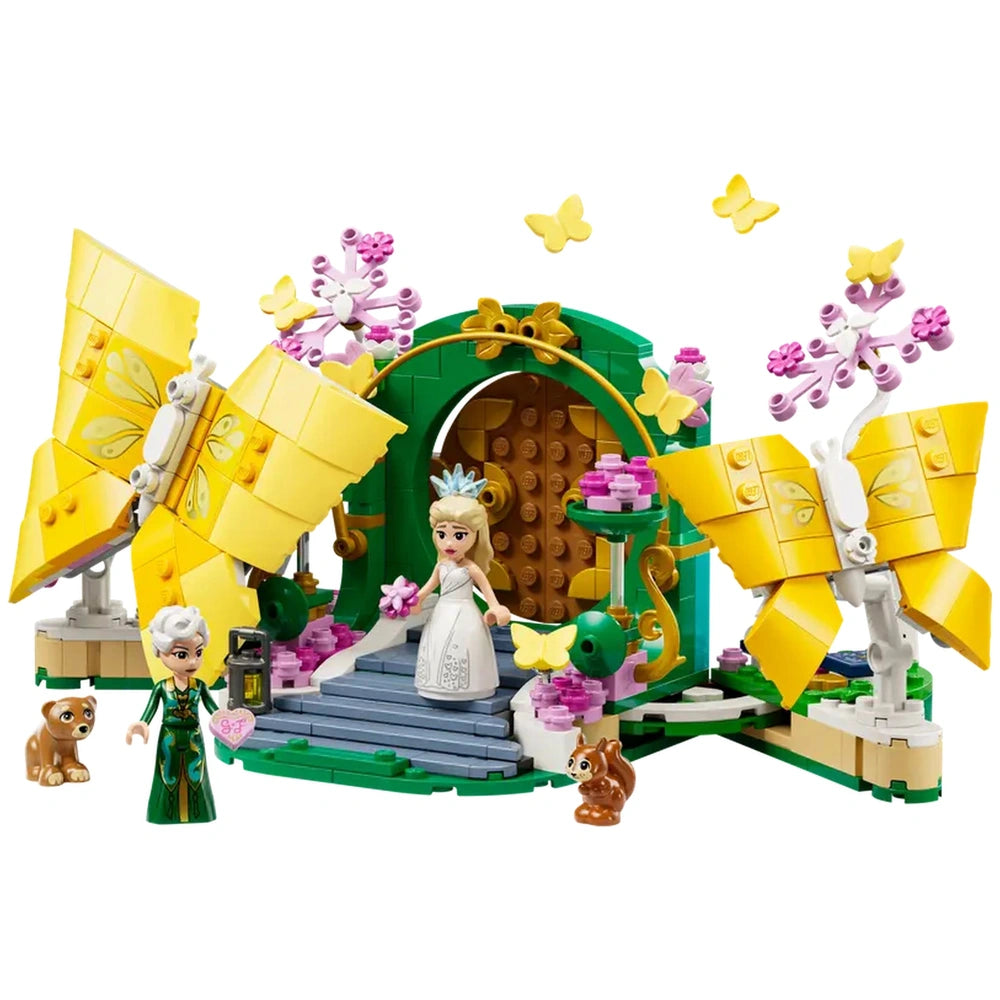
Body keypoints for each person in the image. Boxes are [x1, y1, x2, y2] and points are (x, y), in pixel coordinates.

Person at [413, 465, 511, 700]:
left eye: (459, 535)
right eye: (441, 534)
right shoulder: (441, 566)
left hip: (465, 614)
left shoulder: (471, 568)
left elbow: (488, 592)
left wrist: (495, 608)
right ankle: (435, 685)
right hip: (442, 613)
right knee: (437, 645)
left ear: (475, 535)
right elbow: (428, 587)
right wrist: (415, 600)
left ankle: (469, 687)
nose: (449, 543)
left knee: (465, 648)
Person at [125, 606, 218, 824]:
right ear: (161, 652)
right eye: (182, 655)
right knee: (167, 774)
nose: (192, 662)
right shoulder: (162, 687)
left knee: (197, 774)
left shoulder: (200, 686)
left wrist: (226, 720)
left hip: (194, 735)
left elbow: (214, 710)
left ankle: (198, 813)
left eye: (198, 653)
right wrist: (142, 723)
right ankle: (165, 814)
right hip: (169, 736)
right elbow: (150, 709)